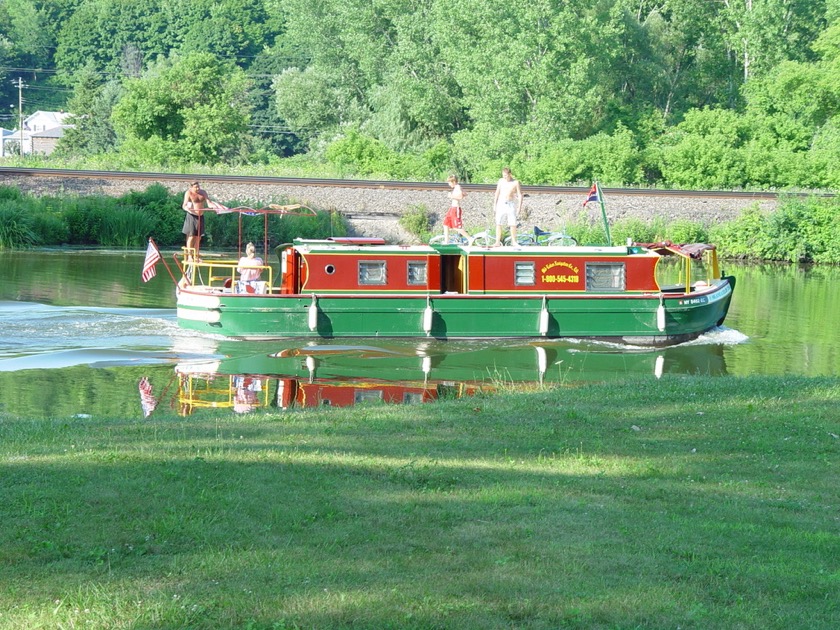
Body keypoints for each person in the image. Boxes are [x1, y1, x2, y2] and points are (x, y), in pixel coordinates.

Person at [181, 181, 213, 260]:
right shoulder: (188, 193)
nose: (198, 188)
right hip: (192, 216)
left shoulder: (203, 192)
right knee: (191, 236)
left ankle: (195, 256)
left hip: (200, 216)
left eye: (198, 187)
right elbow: (184, 205)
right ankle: (189, 256)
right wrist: (187, 208)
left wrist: (213, 206)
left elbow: (209, 202)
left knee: (198, 237)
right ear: (191, 187)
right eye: (196, 187)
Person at [493, 167, 523, 246]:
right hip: (501, 203)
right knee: (498, 223)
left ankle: (514, 241)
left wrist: (519, 207)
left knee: (512, 223)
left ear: (509, 174)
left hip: (510, 203)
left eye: (506, 175)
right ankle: (497, 242)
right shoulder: (501, 181)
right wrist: (494, 204)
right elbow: (497, 192)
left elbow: (520, 195)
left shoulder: (515, 182)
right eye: (503, 175)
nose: (504, 177)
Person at [442, 175, 470, 243]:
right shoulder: (458, 187)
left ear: (454, 182)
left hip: (455, 209)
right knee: (445, 224)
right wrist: (462, 194)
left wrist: (451, 196)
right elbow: (465, 194)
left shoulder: (457, 187)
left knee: (456, 227)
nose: (449, 184)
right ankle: (446, 241)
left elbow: (460, 197)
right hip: (452, 208)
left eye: (449, 182)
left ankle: (469, 238)